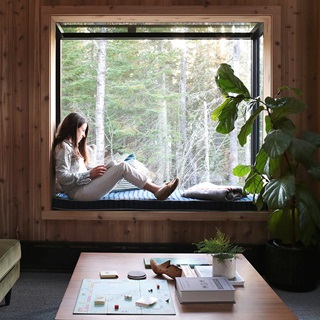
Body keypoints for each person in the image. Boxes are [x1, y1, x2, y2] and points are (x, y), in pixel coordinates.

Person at [53, 112, 179, 201]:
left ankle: (157, 187)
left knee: (114, 164)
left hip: (84, 185)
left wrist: (95, 171)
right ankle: (157, 190)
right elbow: (62, 177)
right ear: (73, 128)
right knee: (122, 167)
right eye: (82, 130)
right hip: (78, 193)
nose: (84, 135)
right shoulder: (63, 148)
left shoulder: (70, 147)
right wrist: (89, 174)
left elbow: (77, 172)